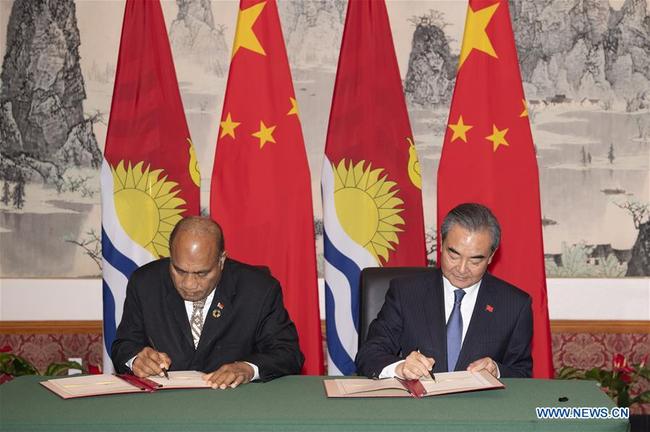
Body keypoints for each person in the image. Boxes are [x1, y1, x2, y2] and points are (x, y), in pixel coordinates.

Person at [111, 216, 304, 389]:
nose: (189, 284)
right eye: (179, 270)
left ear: (221, 260)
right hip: (164, 406)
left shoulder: (258, 289)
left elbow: (288, 354)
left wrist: (247, 368)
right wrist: (136, 359)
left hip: (234, 406)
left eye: (202, 273)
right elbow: (124, 345)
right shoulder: (145, 283)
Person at [356, 203, 532, 379]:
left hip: (479, 405)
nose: (462, 269)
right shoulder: (406, 292)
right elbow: (369, 354)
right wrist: (400, 368)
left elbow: (522, 372)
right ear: (441, 244)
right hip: (417, 404)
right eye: (453, 255)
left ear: (491, 257)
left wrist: (497, 370)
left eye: (475, 261)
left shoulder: (514, 305)